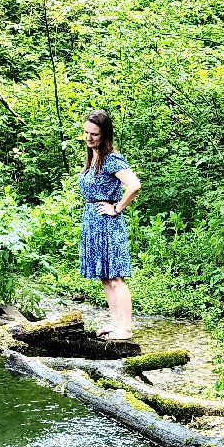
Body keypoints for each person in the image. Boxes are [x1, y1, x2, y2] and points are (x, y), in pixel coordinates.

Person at [78, 109, 141, 340]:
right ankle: (116, 324)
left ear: (105, 134)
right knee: (104, 276)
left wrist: (116, 208)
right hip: (92, 221)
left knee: (115, 277)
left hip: (108, 223)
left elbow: (134, 185)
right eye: (86, 132)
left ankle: (126, 328)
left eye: (94, 134)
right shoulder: (93, 156)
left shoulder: (111, 158)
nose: (89, 137)